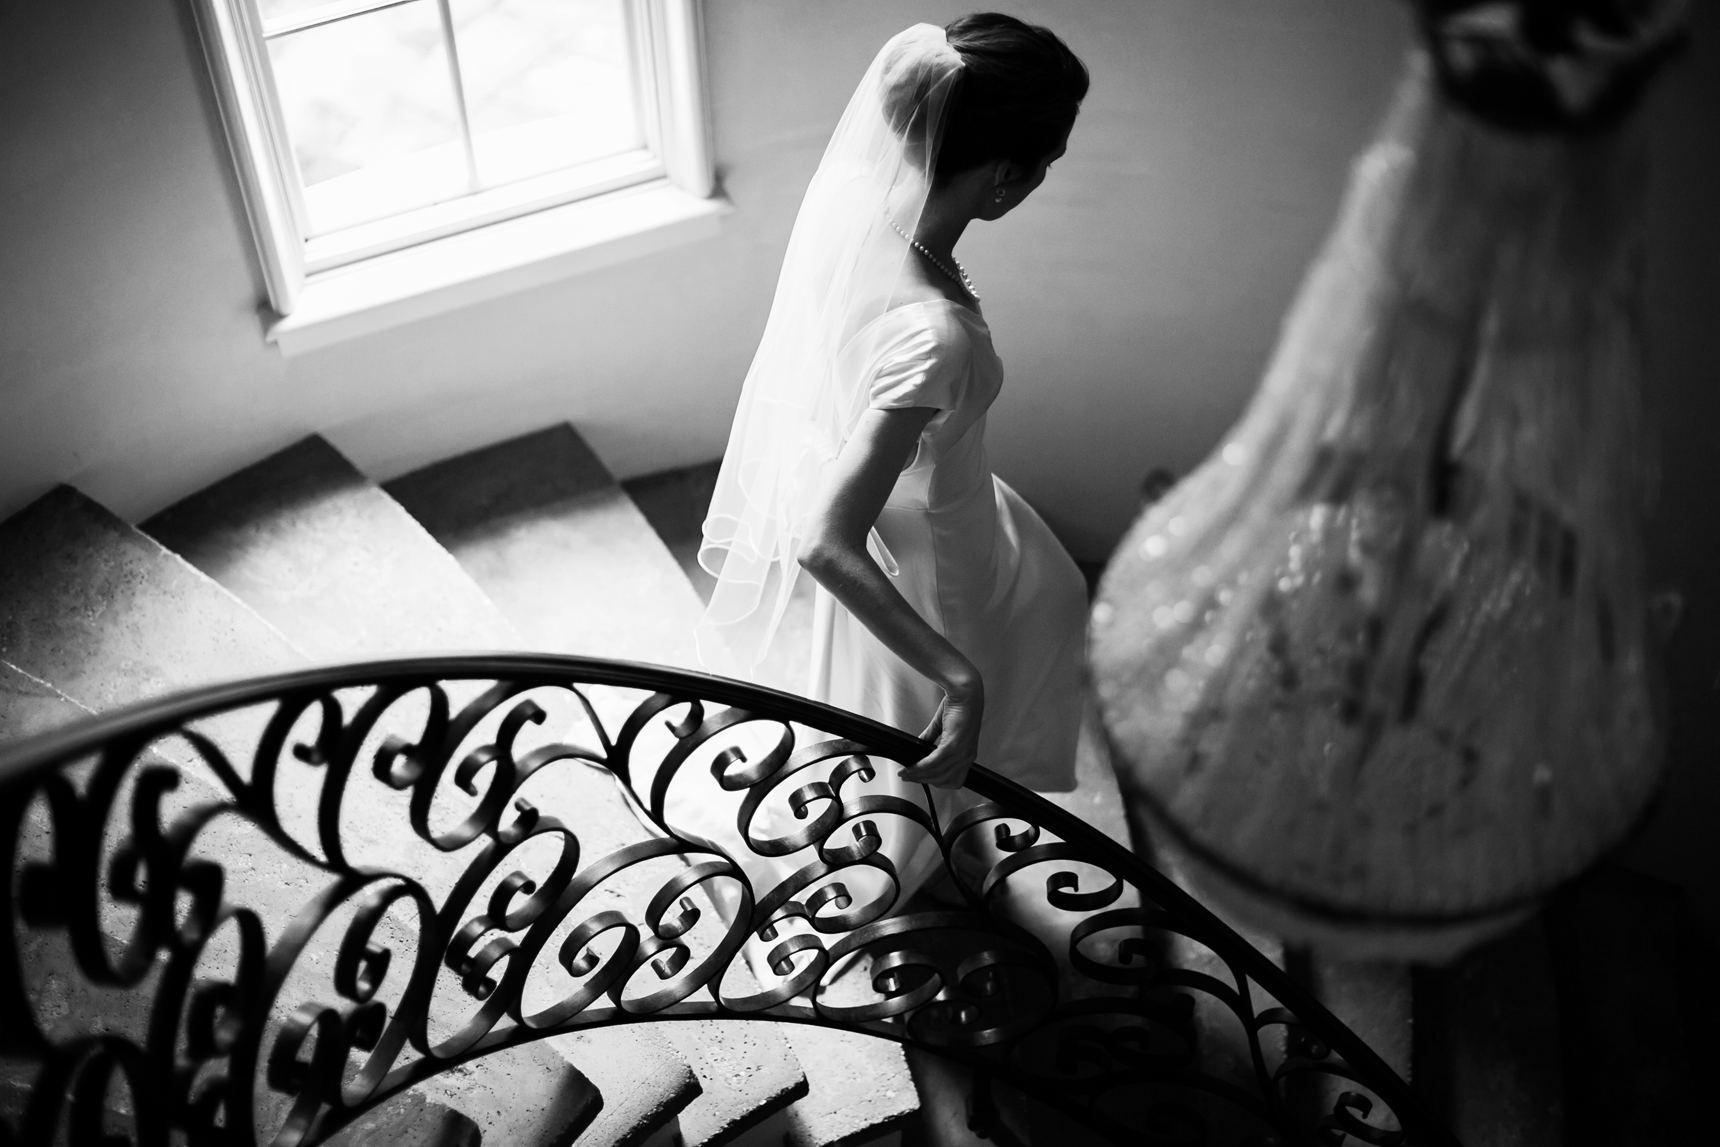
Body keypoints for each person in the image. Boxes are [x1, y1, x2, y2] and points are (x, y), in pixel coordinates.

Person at [695, 15, 1091, 905]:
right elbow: (824, 542)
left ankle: (965, 816)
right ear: (1000, 178)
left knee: (1052, 591)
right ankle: (924, 867)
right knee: (937, 729)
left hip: (944, 499)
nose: (1039, 180)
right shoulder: (935, 336)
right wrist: (956, 671)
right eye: (1043, 163)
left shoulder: (867, 218)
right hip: (934, 560)